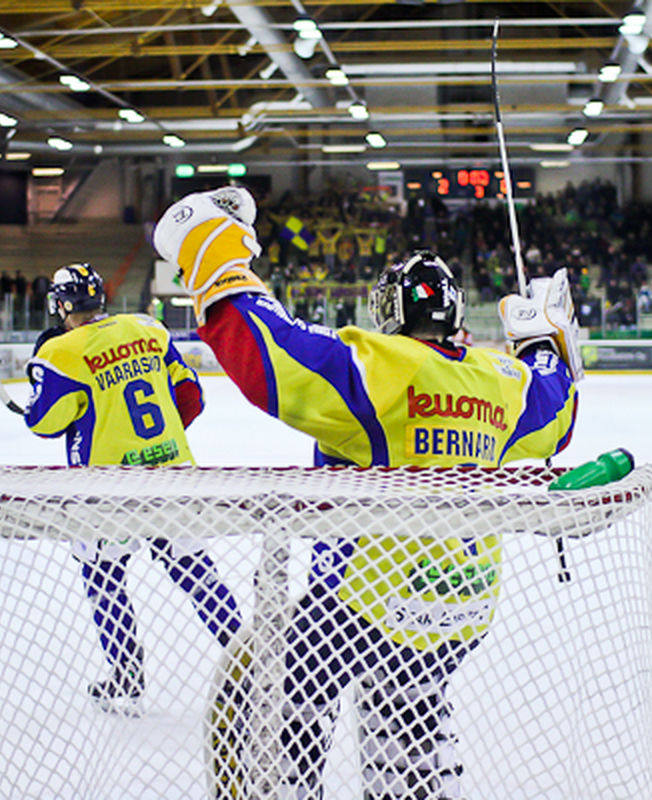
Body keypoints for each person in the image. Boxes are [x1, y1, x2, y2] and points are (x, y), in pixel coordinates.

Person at [153, 187, 581, 799]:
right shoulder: (501, 379)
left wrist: (208, 242)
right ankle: (414, 785)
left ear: (392, 316)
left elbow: (265, 353)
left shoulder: (382, 367)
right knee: (408, 702)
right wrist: (544, 338)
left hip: (364, 605)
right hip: (462, 608)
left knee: (279, 695)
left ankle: (286, 788)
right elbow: (559, 414)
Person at [24, 262, 243, 713]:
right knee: (196, 574)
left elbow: (44, 423)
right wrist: (157, 445)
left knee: (104, 578)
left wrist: (40, 374)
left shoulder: (61, 352)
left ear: (61, 304)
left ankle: (125, 673)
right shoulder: (150, 328)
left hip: (107, 490)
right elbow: (191, 398)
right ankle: (252, 663)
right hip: (171, 477)